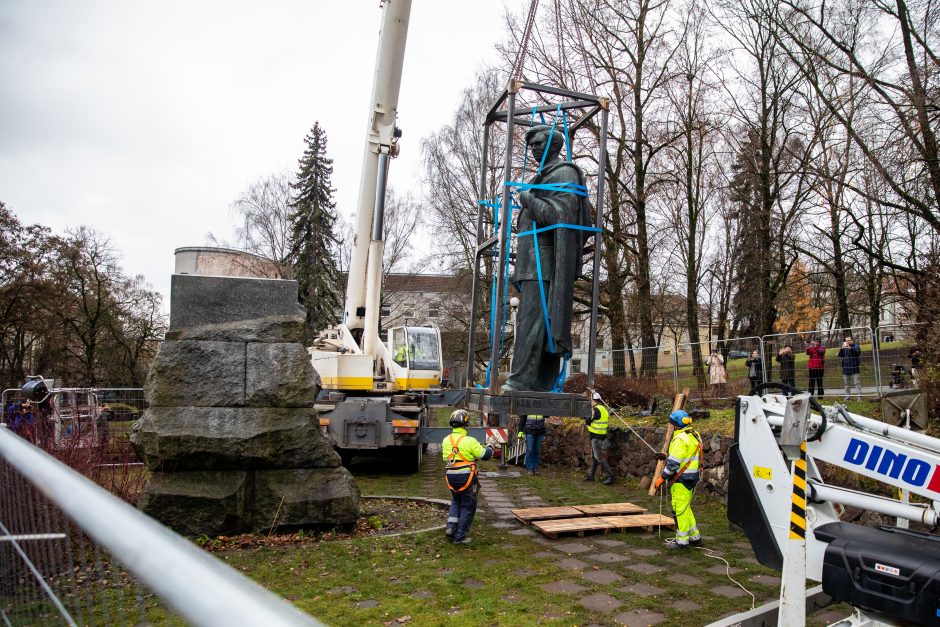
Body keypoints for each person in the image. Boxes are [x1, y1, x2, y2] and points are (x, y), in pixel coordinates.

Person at [502, 125, 594, 393]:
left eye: (539, 144)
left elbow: (560, 217)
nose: (534, 149)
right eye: (531, 146)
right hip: (532, 261)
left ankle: (522, 380)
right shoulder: (542, 177)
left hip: (544, 262)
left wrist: (529, 200)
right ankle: (537, 380)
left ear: (554, 146)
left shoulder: (563, 173)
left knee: (532, 321)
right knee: (532, 321)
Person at [653, 409, 703, 549]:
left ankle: (682, 541)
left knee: (679, 511)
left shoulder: (680, 439)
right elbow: (684, 456)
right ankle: (695, 537)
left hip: (681, 479)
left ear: (675, 424)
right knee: (686, 508)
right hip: (691, 477)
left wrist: (662, 478)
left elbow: (674, 464)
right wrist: (666, 455)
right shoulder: (693, 435)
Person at [442, 409, 493, 545]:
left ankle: (451, 527)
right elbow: (485, 455)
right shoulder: (470, 441)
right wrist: (490, 447)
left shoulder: (446, 440)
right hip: (467, 476)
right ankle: (460, 537)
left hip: (451, 476)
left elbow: (445, 458)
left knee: (456, 500)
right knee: (468, 505)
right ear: (466, 424)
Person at [584, 392, 614, 485]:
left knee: (598, 457)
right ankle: (591, 476)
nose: (591, 402)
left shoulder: (596, 409)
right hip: (600, 435)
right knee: (594, 457)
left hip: (596, 436)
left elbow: (589, 420)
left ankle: (610, 476)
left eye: (591, 401)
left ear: (594, 401)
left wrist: (585, 418)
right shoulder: (603, 409)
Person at [838, 336, 862, 400]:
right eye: (846, 340)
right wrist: (841, 348)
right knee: (846, 383)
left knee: (856, 383)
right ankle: (848, 396)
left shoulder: (856, 346)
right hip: (846, 368)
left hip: (854, 367)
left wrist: (850, 348)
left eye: (849, 340)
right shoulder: (844, 347)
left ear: (852, 340)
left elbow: (858, 351)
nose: (847, 342)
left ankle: (859, 397)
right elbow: (840, 355)